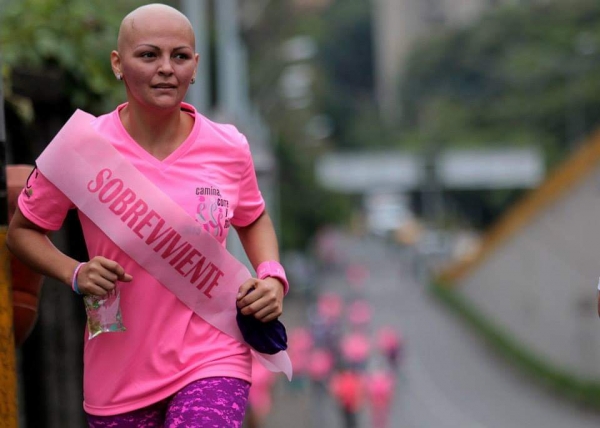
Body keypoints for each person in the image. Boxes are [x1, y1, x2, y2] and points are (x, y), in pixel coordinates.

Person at [6, 3, 289, 427]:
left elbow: (253, 217)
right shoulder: (80, 147)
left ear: (195, 67)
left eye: (179, 56)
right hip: (119, 372)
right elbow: (22, 232)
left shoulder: (229, 146)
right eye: (148, 55)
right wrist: (75, 273)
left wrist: (271, 275)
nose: (165, 69)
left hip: (213, 357)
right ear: (118, 64)